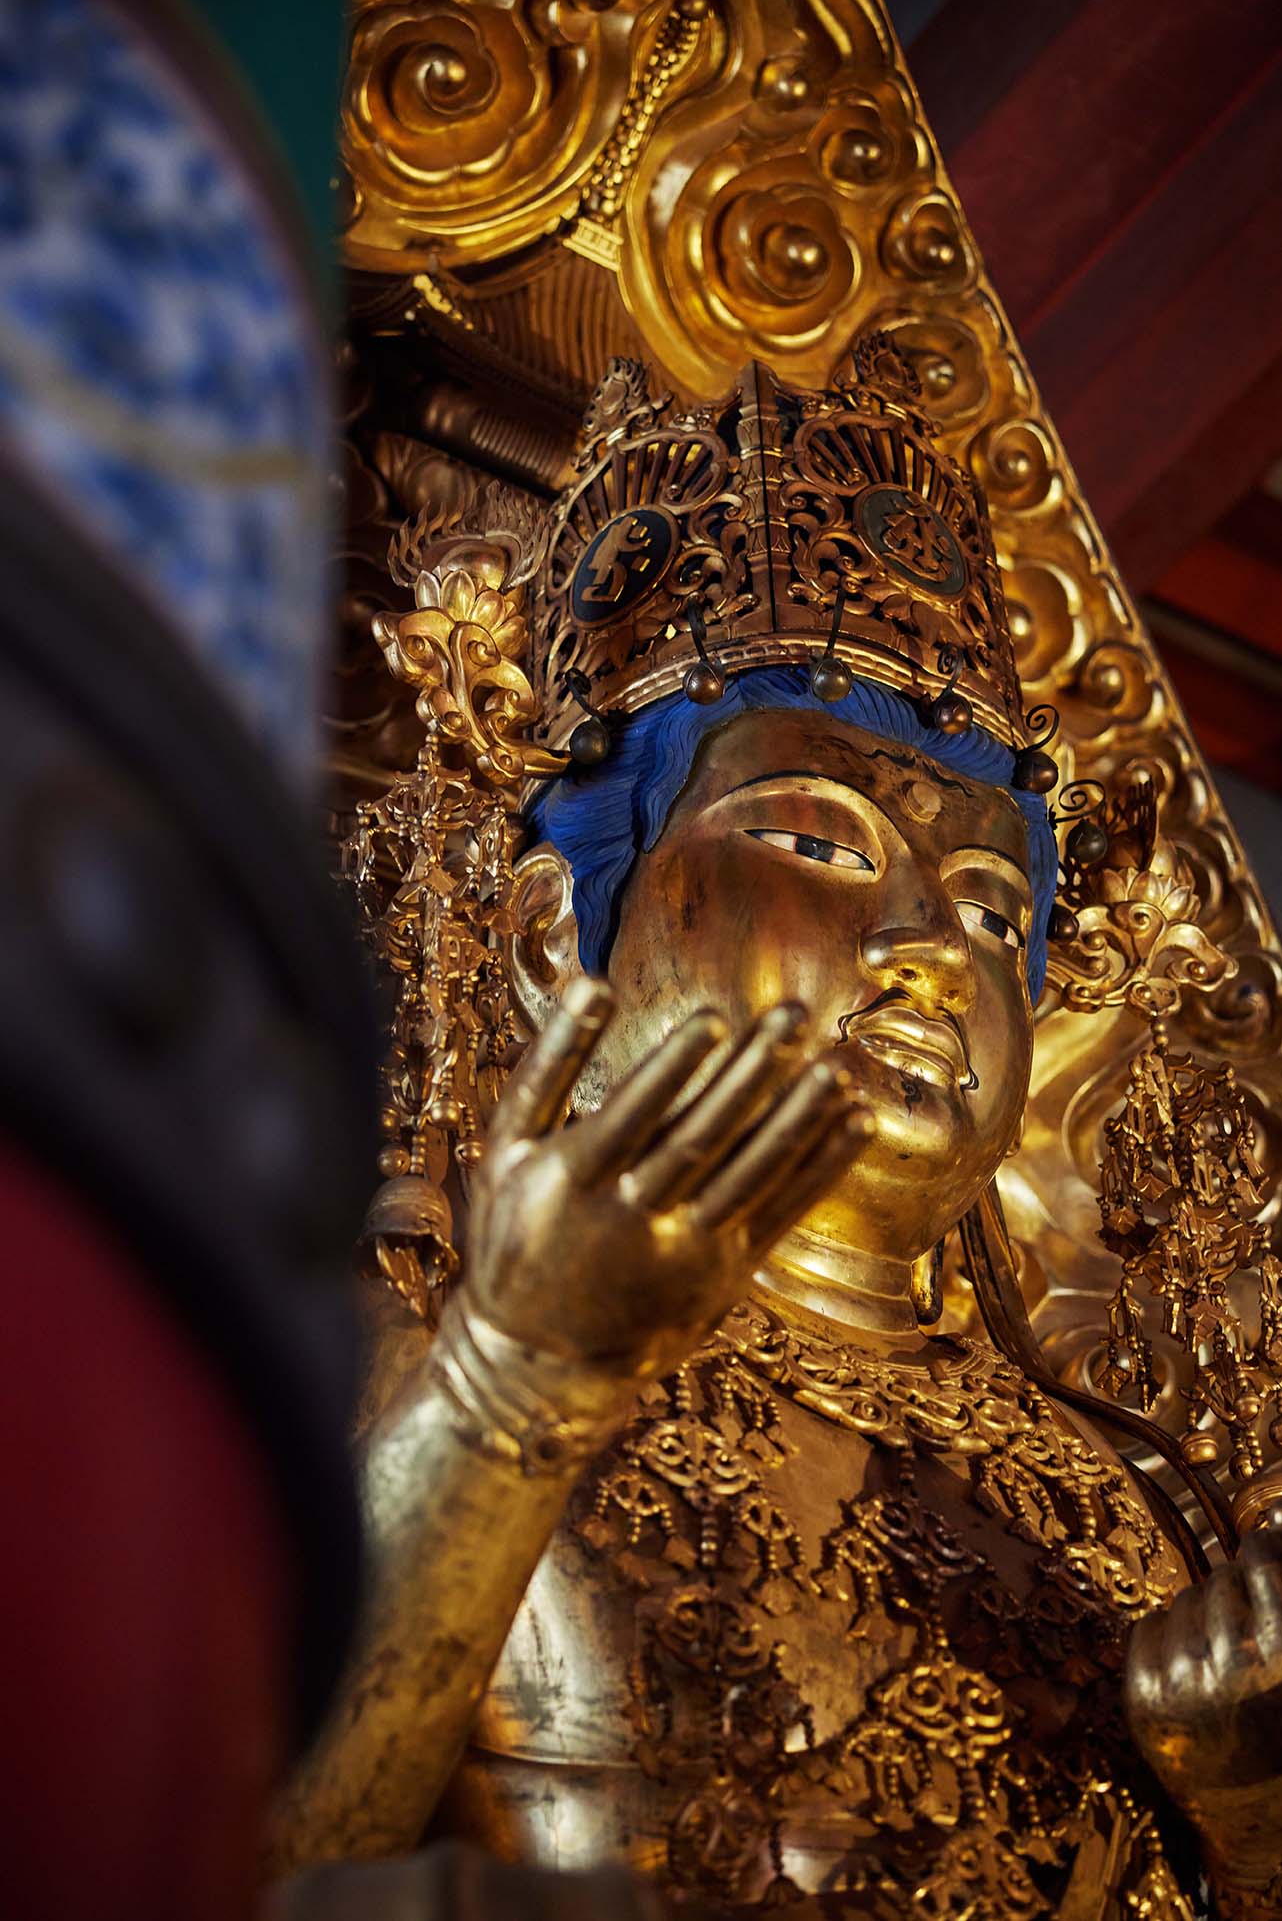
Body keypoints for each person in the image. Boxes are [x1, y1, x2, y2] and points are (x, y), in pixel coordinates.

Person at [270, 346, 1282, 1918]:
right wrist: (514, 1381)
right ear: (553, 944)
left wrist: (1252, 1821)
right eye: (812, 838)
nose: (930, 946)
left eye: (989, 908)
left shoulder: (1129, 1495)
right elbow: (201, 1843)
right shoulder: (407, 1343)